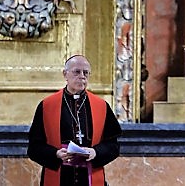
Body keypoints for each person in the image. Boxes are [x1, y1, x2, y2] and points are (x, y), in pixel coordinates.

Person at [28, 55, 122, 186]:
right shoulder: (47, 106)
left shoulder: (101, 106)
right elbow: (34, 148)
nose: (82, 76)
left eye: (86, 73)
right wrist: (56, 154)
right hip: (60, 177)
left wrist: (95, 152)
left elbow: (113, 146)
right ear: (65, 74)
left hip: (90, 178)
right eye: (77, 72)